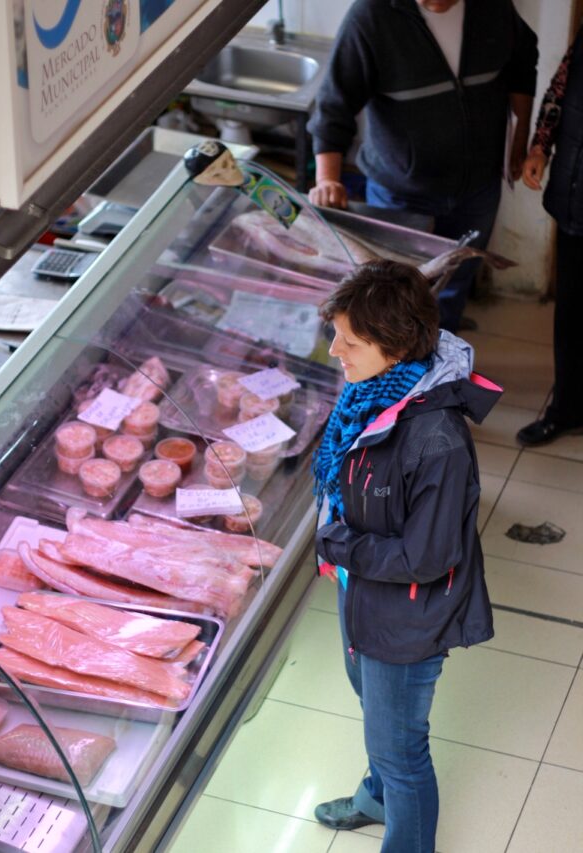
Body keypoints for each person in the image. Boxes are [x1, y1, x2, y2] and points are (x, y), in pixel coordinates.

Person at [312, 260, 501, 852]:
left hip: (408, 615)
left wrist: (338, 542)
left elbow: (427, 558)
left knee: (402, 751)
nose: (334, 351)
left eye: (351, 340)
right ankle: (376, 797)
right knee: (374, 709)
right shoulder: (373, 393)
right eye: (336, 333)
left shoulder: (437, 442)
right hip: (363, 592)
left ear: (394, 347)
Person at [307, 0, 538, 333]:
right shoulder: (372, 16)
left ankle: (444, 342)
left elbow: (522, 64)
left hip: (479, 186)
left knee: (456, 278)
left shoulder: (494, 8)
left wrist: (520, 140)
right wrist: (327, 179)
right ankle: (403, 374)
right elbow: (334, 106)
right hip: (400, 192)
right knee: (396, 297)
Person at [516, 25, 583, 446]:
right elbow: (559, 92)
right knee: (572, 313)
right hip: (575, 195)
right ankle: (567, 409)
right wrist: (540, 146)